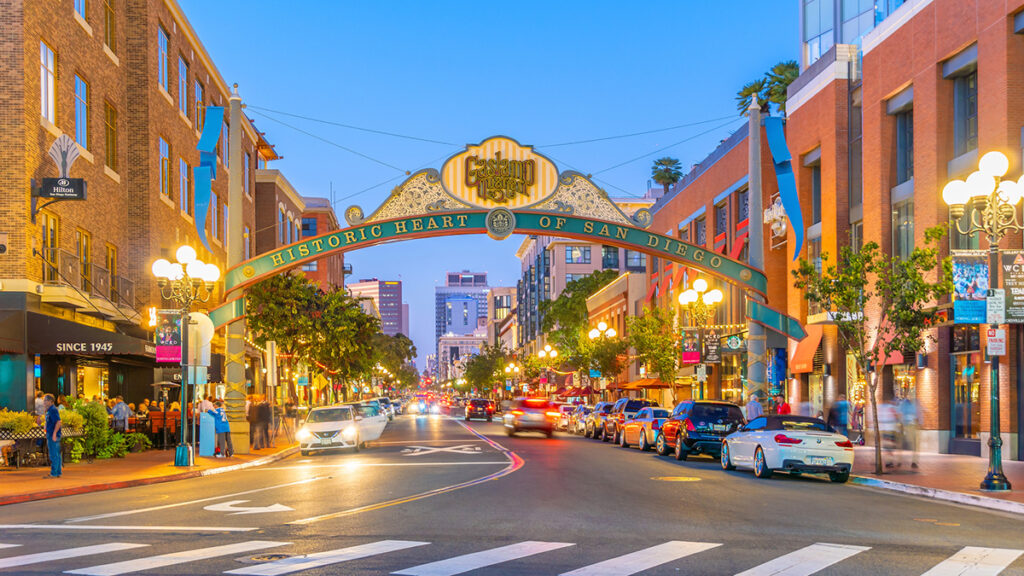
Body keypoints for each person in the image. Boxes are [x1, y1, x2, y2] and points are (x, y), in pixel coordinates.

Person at [43, 394, 62, 478]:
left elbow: (58, 422)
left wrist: (54, 434)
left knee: (53, 454)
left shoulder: (53, 410)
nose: (44, 402)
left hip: (52, 435)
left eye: (45, 400)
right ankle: (57, 472)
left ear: (50, 401)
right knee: (56, 454)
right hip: (51, 433)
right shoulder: (49, 410)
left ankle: (54, 473)